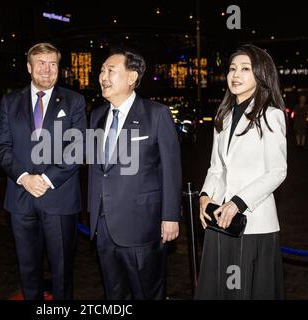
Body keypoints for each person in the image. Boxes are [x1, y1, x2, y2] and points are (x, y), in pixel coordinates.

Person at [87, 48, 182, 300]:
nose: (102, 76)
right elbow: (99, 170)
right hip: (104, 227)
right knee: (114, 294)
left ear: (131, 78)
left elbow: (172, 169)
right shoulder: (96, 116)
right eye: (101, 70)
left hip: (142, 225)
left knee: (147, 292)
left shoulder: (157, 114)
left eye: (110, 70)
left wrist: (170, 216)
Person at [0, 43, 86, 300]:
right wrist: (25, 178)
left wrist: (45, 179)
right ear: (29, 67)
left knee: (62, 269)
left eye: (53, 64)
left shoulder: (74, 100)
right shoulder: (10, 102)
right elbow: (2, 147)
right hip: (20, 198)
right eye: (41, 63)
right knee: (27, 269)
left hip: (59, 197)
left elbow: (77, 148)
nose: (47, 70)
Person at [195, 44, 287, 299]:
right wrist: (204, 196)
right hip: (220, 220)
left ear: (261, 74)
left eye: (245, 69)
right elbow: (216, 167)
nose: (236, 74)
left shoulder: (271, 115)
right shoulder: (223, 116)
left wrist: (238, 202)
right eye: (233, 68)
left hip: (253, 222)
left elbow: (277, 171)